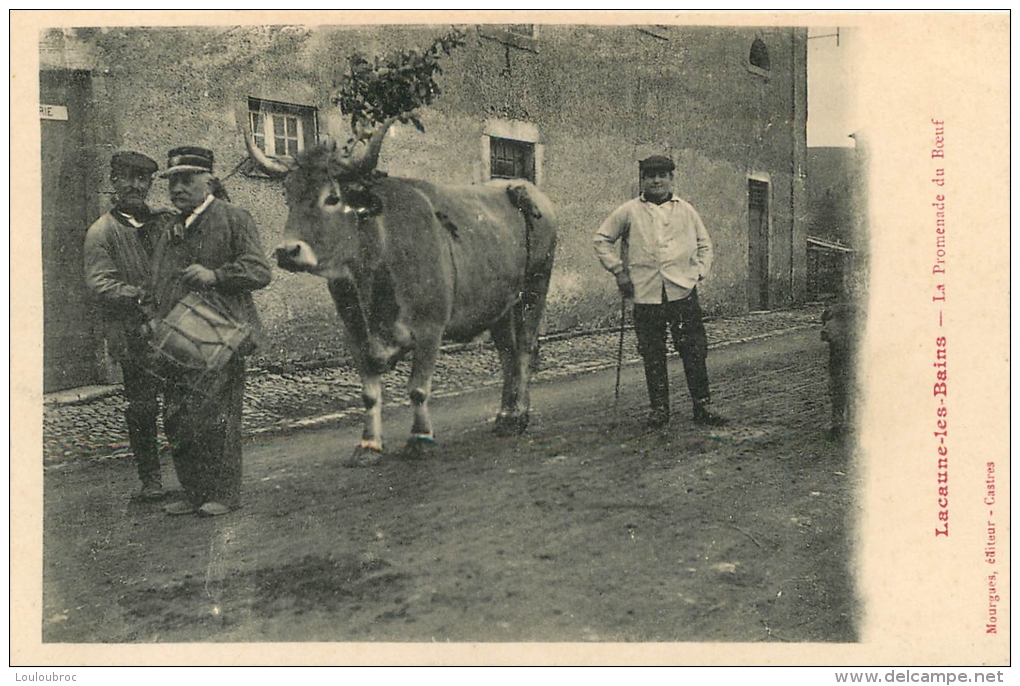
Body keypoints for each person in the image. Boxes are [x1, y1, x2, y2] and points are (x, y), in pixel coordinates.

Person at [150, 146, 271, 517]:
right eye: (173, 182)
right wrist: (153, 314)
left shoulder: (234, 217)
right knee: (178, 417)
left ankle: (222, 493)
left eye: (187, 180)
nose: (178, 189)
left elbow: (259, 270)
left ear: (209, 181)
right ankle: (193, 492)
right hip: (179, 338)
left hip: (222, 335)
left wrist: (215, 276)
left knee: (218, 417)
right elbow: (158, 279)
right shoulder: (172, 227)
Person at [594, 155, 727, 429]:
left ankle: (702, 405)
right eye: (651, 176)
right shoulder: (629, 211)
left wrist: (697, 273)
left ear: (671, 179)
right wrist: (618, 271)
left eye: (662, 175)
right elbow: (602, 239)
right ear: (642, 180)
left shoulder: (687, 211)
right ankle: (659, 409)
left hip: (682, 291)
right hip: (646, 293)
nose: (656, 181)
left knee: (693, 349)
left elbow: (705, 245)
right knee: (652, 352)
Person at [84, 151, 171, 501]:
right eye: (128, 178)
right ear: (113, 183)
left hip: (172, 331)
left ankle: (192, 476)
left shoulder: (162, 222)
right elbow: (100, 283)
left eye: (142, 179)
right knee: (143, 407)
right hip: (133, 334)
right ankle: (150, 481)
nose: (136, 185)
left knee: (181, 404)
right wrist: (140, 295)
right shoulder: (102, 232)